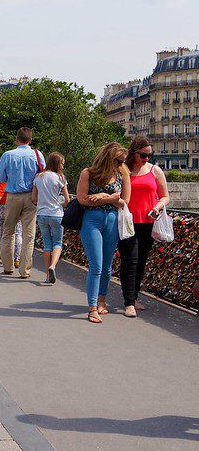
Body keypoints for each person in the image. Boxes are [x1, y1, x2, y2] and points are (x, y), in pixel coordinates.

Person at [77, 142, 131, 323]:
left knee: (107, 267)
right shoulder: (89, 173)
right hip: (92, 220)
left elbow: (124, 203)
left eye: (123, 161)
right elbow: (82, 200)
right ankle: (92, 307)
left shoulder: (122, 174)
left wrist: (103, 197)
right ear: (108, 158)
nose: (121, 164)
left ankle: (102, 300)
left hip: (112, 221)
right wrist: (109, 198)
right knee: (96, 265)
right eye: (118, 161)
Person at [117, 136, 170, 318]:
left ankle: (134, 296)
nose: (146, 158)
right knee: (130, 261)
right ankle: (129, 302)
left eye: (149, 155)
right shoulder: (124, 170)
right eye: (143, 155)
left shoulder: (155, 170)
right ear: (134, 152)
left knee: (140, 262)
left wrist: (157, 207)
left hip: (148, 223)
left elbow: (165, 196)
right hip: (127, 222)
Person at [0, 127, 45, 278]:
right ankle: (25, 270)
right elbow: (43, 175)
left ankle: (8, 266)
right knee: (28, 234)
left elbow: (1, 178)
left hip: (12, 196)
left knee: (8, 232)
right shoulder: (37, 154)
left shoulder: (7, 155)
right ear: (30, 140)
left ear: (17, 139)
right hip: (32, 197)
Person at [32, 152, 70, 283]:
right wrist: (60, 203)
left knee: (47, 244)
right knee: (57, 243)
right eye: (62, 164)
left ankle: (47, 276)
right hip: (56, 214)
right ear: (58, 164)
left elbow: (33, 199)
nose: (63, 167)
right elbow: (67, 200)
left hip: (42, 214)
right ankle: (53, 267)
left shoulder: (38, 177)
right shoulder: (60, 178)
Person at [0, 182, 22, 268]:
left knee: (4, 233)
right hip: (18, 206)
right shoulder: (20, 179)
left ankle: (5, 256)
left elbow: (0, 192)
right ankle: (17, 259)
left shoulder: (7, 179)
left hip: (4, 207)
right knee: (18, 232)